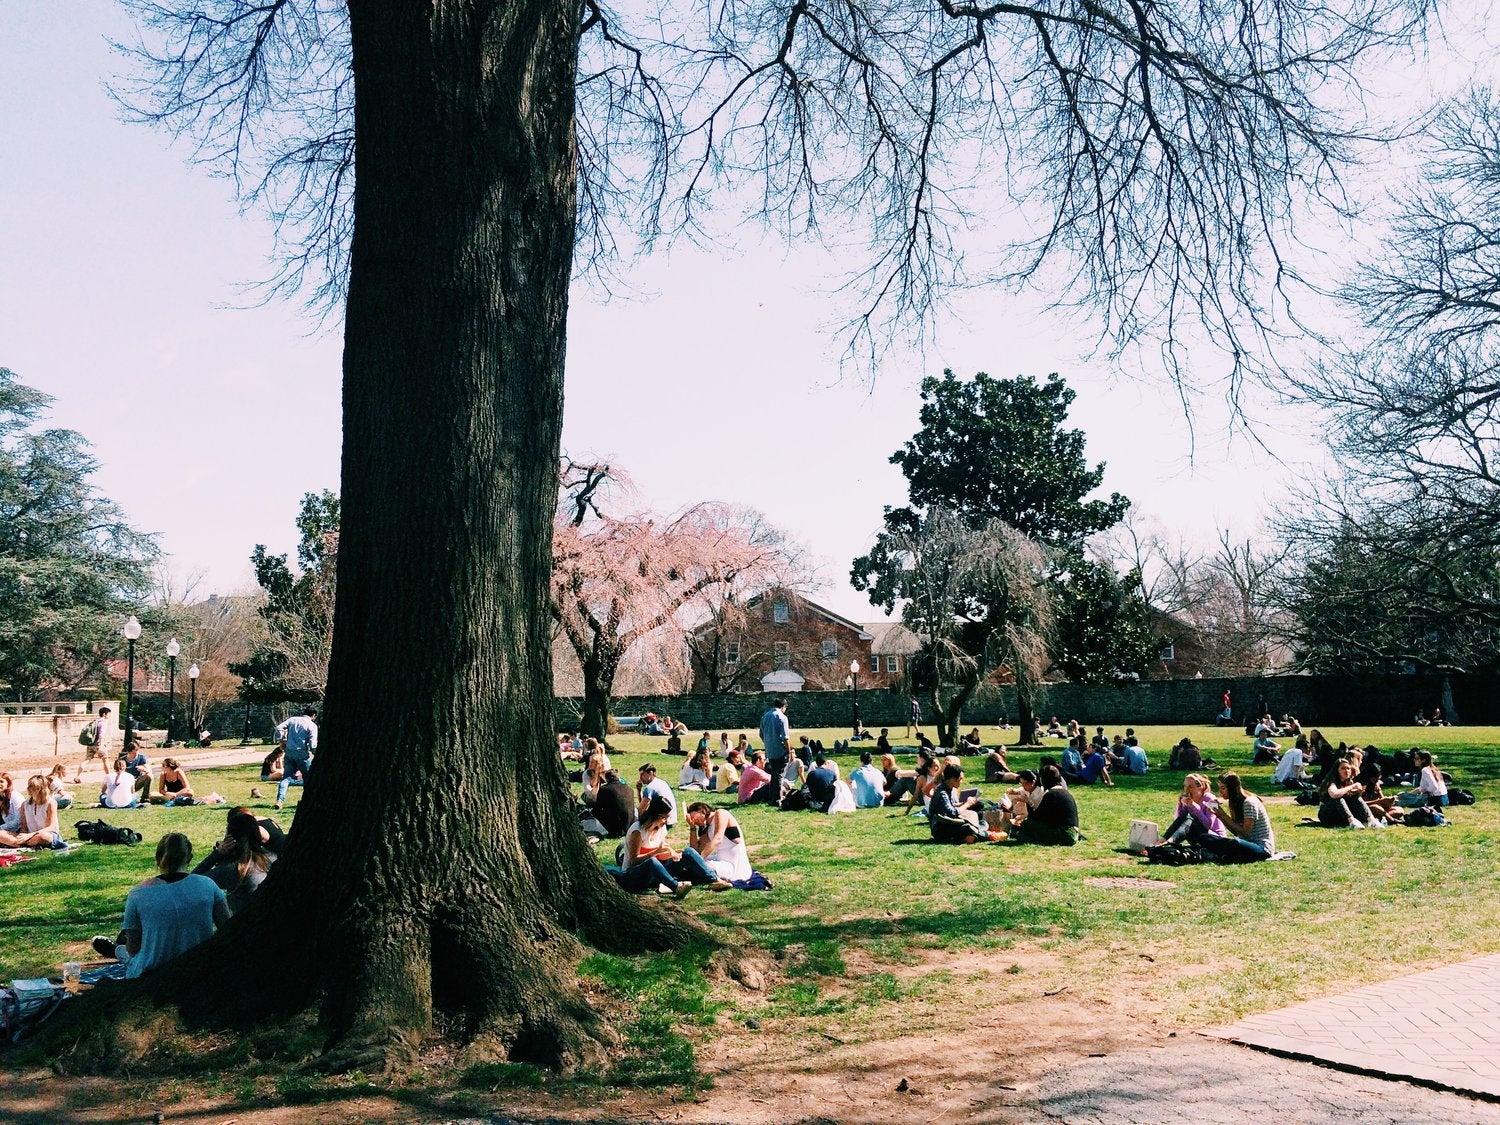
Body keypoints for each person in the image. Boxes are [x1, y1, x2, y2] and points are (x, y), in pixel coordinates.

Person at [107, 833, 229, 977]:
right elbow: (227, 926)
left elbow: (133, 946)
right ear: (189, 858)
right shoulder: (207, 885)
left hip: (153, 971)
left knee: (132, 956)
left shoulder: (138, 893)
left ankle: (122, 955)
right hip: (199, 968)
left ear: (158, 859)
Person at [616, 796, 727, 894]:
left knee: (688, 852)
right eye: (664, 817)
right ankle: (676, 887)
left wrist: (673, 853)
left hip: (656, 873)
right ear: (655, 815)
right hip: (634, 875)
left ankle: (714, 880)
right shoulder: (638, 830)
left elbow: (662, 851)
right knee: (652, 862)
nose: (666, 821)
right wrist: (655, 852)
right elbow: (633, 861)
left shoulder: (660, 827)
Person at [193, 811, 277, 915]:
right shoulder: (272, 858)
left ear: (230, 838)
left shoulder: (235, 868)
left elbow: (191, 882)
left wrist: (217, 854)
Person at [1203, 773, 1275, 862]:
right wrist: (1220, 816)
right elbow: (1236, 832)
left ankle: (1218, 854)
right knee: (1205, 837)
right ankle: (1222, 854)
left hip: (1261, 847)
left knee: (1234, 843)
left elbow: (1246, 832)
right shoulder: (1234, 803)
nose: (1220, 792)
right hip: (1244, 842)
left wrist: (1224, 815)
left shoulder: (1249, 803)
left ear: (1232, 788)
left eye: (1223, 788)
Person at [1008, 765, 1079, 846]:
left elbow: (1036, 818)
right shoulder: (1064, 792)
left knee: (1027, 824)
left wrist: (1028, 802)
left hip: (1065, 835)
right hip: (1073, 833)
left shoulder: (1051, 795)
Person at [929, 764, 998, 843]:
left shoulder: (948, 788)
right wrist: (967, 804)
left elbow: (951, 806)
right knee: (968, 827)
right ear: (953, 778)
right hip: (940, 827)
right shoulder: (942, 793)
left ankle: (971, 836)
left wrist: (964, 803)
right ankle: (985, 835)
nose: (961, 781)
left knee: (983, 821)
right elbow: (952, 812)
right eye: (960, 779)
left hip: (949, 822)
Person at [685, 802, 752, 881]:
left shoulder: (721, 813)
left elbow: (718, 839)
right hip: (722, 861)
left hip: (734, 866)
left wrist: (699, 861)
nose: (694, 821)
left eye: (694, 817)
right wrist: (692, 827)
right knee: (689, 862)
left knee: (695, 867)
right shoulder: (708, 828)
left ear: (701, 810)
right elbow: (696, 850)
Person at [0, 774, 64, 849]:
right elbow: (24, 827)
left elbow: (51, 827)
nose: (28, 788)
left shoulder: (51, 803)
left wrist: (30, 835)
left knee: (44, 837)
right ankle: (25, 845)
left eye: (31, 786)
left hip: (45, 834)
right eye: (29, 786)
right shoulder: (25, 804)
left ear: (40, 788)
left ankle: (22, 845)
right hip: (29, 836)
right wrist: (22, 836)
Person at [274, 706, 319, 809]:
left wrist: (281, 740)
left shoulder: (293, 719)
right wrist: (314, 752)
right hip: (302, 754)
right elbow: (313, 744)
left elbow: (279, 727)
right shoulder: (312, 726)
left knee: (286, 777)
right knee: (307, 777)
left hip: (289, 752)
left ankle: (280, 801)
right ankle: (307, 800)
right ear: (314, 715)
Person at [1162, 774, 1226, 842]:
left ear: (1200, 787)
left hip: (1216, 838)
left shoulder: (1211, 799)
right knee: (1186, 819)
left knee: (1190, 820)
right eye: (1185, 786)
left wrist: (1194, 806)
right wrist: (1181, 805)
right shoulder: (1188, 799)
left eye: (1190, 787)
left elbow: (1208, 825)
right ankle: (1163, 841)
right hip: (1198, 837)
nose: (1186, 790)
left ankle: (1167, 842)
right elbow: (1178, 822)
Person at [1320, 758, 1381, 828]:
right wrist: (1352, 787)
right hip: (1327, 814)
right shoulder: (1332, 782)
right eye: (1343, 768)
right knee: (1338, 798)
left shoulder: (1349, 782)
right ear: (1337, 770)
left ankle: (1371, 820)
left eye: (1348, 768)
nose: (1346, 771)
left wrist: (1358, 792)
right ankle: (1352, 821)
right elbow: (1334, 794)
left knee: (1355, 797)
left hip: (1340, 814)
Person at [759, 697, 792, 797]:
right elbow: (785, 737)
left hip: (770, 750)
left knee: (774, 774)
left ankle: (771, 796)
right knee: (779, 775)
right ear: (783, 706)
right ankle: (777, 798)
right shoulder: (782, 717)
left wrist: (768, 743)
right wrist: (789, 751)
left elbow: (761, 734)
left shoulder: (765, 716)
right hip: (780, 751)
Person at [590, 769, 636, 838]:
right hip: (629, 824)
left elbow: (597, 808)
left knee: (596, 812)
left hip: (615, 826)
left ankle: (612, 830)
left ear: (607, 779)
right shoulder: (629, 788)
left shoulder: (604, 789)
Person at [76, 706, 114, 783]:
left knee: (86, 760)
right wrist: (101, 746)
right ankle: (109, 777)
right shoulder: (103, 723)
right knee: (105, 760)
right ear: (104, 714)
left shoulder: (95, 721)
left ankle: (77, 776)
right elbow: (101, 736)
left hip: (91, 744)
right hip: (98, 744)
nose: (109, 716)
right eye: (108, 714)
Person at [118, 737, 152, 802]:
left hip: (136, 782)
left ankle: (145, 797)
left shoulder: (141, 757)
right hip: (125, 783)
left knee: (149, 776)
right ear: (128, 752)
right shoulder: (122, 760)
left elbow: (149, 771)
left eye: (137, 751)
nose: (135, 754)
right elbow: (117, 774)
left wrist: (144, 769)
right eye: (133, 753)